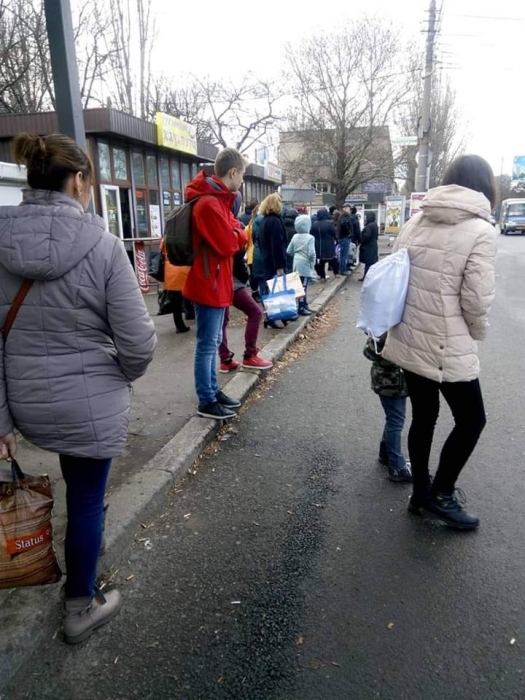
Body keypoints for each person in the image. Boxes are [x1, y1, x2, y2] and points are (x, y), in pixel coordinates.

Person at [0, 133, 157, 643]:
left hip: (25, 403)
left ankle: (81, 557)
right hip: (89, 403)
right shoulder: (105, 245)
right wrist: (121, 376)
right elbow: (138, 343)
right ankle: (78, 606)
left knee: (81, 491)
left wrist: (2, 421)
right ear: (80, 181)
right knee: (86, 501)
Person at [382, 154, 497, 530]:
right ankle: (442, 495)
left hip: (410, 336)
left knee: (424, 416)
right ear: (485, 186)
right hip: (449, 342)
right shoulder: (480, 230)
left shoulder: (416, 221)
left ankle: (420, 494)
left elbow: (395, 277)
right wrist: (476, 333)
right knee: (472, 419)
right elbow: (476, 300)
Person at [183, 148, 248, 421]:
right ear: (233, 172)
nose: (243, 180)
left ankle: (212, 391)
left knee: (213, 340)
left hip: (215, 280)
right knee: (208, 343)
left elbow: (235, 231)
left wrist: (236, 232)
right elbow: (230, 242)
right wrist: (238, 233)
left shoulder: (217, 201)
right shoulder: (210, 204)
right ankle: (206, 399)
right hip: (209, 282)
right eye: (242, 174)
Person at [363, 335, 412, 482]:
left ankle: (386, 453)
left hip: (392, 382)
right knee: (395, 421)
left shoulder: (384, 327)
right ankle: (396, 466)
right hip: (391, 383)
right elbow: (369, 352)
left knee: (393, 418)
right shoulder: (385, 330)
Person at [218, 246, 273, 372]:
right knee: (255, 312)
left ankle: (225, 359)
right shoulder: (231, 229)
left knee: (221, 321)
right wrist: (243, 276)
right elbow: (237, 257)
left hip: (219, 281)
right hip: (232, 282)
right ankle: (250, 354)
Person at [159, 238, 193, 333]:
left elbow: (161, 252)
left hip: (171, 271)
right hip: (186, 270)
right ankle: (190, 313)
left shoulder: (165, 239)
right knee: (189, 294)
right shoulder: (186, 237)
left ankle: (179, 325)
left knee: (176, 302)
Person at [286, 214, 316, 316]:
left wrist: (296, 254)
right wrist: (313, 262)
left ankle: (304, 304)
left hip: (296, 261)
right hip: (305, 263)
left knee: (298, 285)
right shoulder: (310, 238)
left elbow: (289, 250)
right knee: (304, 286)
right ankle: (301, 306)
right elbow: (312, 253)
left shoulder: (295, 236)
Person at [313, 208, 337, 281]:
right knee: (332, 259)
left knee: (321, 261)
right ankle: (336, 273)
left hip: (318, 245)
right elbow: (334, 233)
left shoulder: (315, 223)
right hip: (328, 244)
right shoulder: (329, 223)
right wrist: (336, 239)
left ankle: (322, 276)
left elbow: (312, 233)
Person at [358, 211, 379, 280]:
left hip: (369, 246)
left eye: (366, 217)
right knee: (371, 262)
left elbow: (367, 236)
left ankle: (366, 277)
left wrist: (362, 241)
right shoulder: (374, 224)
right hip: (373, 245)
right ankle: (368, 276)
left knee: (368, 262)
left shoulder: (370, 226)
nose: (366, 218)